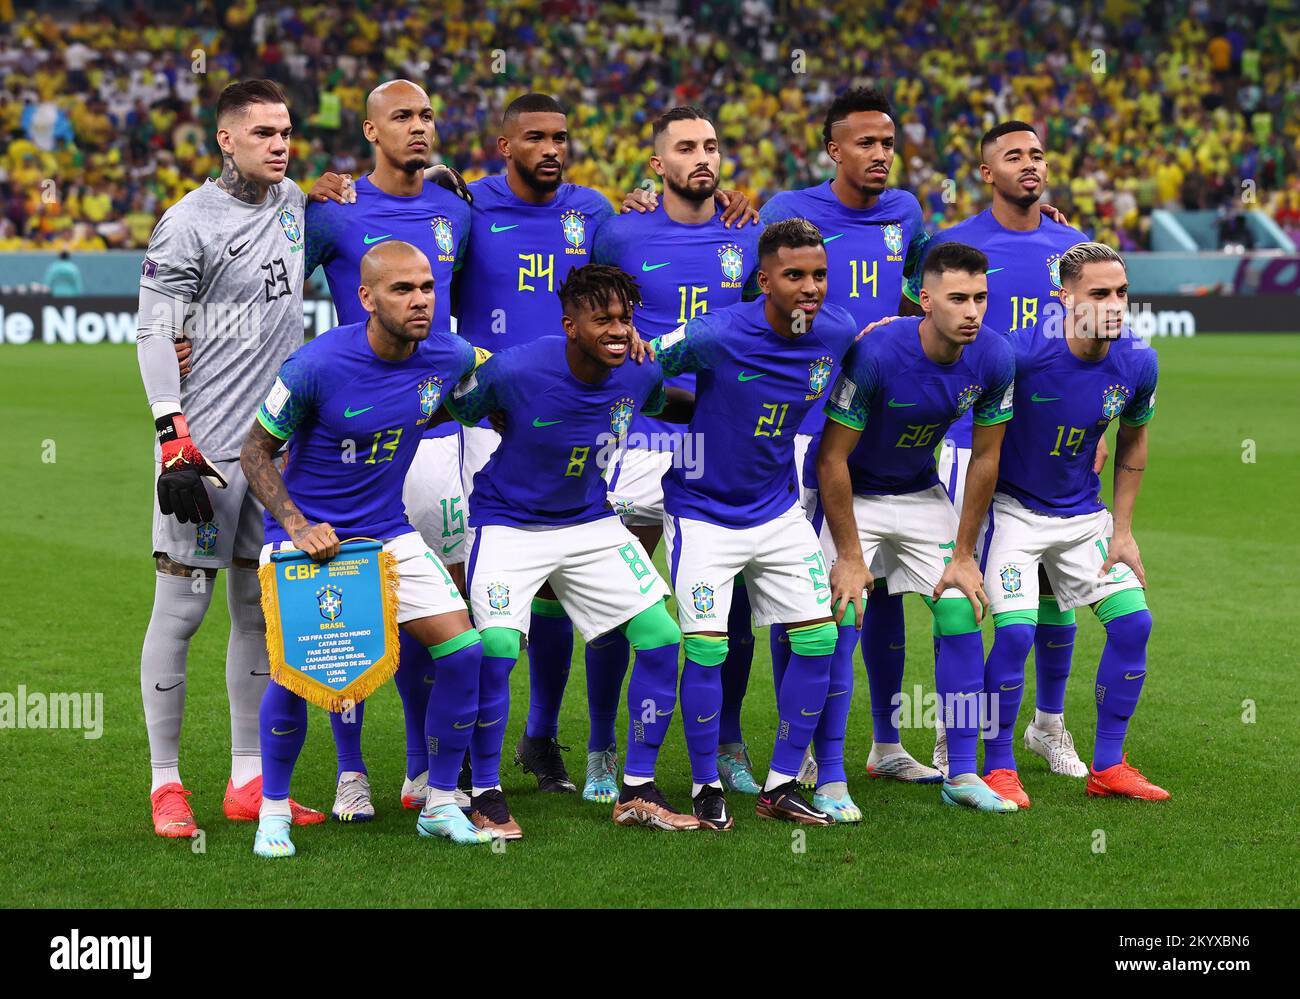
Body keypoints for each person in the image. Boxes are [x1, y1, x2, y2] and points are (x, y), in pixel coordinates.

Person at [239, 240, 490, 857]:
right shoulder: (314, 366)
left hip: (387, 531)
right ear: (366, 298)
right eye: (402, 290)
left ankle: (439, 801)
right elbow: (255, 453)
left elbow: (500, 375)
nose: (419, 300)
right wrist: (297, 525)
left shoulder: (450, 354)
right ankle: (273, 809)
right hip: (309, 541)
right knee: (299, 674)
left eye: (427, 288)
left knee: (462, 649)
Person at [135, 79, 326, 838]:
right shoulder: (187, 223)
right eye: (263, 133)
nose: (280, 143)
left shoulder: (298, 204)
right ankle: (165, 783)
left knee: (258, 611)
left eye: (285, 131)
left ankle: (248, 779)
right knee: (182, 609)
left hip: (271, 455)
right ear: (226, 139)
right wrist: (169, 433)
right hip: (204, 457)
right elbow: (155, 331)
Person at [447, 264, 698, 837]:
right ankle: (483, 790)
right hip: (508, 523)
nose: (616, 329)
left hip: (589, 520)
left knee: (661, 635)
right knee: (499, 647)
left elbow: (673, 404)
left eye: (624, 318)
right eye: (602, 318)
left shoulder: (638, 372)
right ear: (569, 325)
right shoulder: (516, 369)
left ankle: (637, 788)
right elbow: (458, 407)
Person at [652, 218, 860, 829]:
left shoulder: (838, 332)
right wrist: (680, 409)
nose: (810, 288)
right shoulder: (717, 333)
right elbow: (642, 362)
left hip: (776, 510)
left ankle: (782, 784)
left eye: (819, 275)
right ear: (764, 279)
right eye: (794, 275)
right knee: (708, 650)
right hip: (703, 513)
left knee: (819, 637)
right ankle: (704, 784)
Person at [759, 87, 939, 794]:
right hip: (803, 425)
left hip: (880, 431)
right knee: (804, 591)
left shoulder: (906, 212)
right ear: (834, 150)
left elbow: (924, 288)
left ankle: (886, 741)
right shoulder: (786, 212)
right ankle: (797, 744)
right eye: (866, 143)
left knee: (883, 590)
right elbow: (752, 296)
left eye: (888, 143)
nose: (880, 155)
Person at [303, 78, 474, 821]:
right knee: (346, 620)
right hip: (350, 446)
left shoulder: (458, 211)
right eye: (401, 116)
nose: (418, 127)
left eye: (427, 115)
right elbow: (274, 291)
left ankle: (419, 769)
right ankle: (348, 771)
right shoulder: (332, 210)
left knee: (437, 613)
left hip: (435, 442)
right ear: (370, 131)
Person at [583, 105, 763, 802]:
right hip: (642, 432)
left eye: (712, 145)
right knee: (616, 597)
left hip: (719, 433)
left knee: (733, 601)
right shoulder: (620, 230)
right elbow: (592, 317)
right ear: (656, 165)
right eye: (686, 147)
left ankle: (727, 741)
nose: (703, 157)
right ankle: (602, 745)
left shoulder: (747, 233)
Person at [905, 120, 1093, 778]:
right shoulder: (955, 244)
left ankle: (1049, 725)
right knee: (961, 586)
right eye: (1014, 155)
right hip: (967, 438)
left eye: (1038, 153)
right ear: (987, 172)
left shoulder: (1075, 247)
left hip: (1048, 443)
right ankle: (953, 733)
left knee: (1053, 587)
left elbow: (1094, 346)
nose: (1030, 164)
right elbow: (918, 326)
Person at [815, 241, 1019, 814]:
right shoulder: (878, 353)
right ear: (925, 301)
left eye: (980, 298)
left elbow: (985, 459)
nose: (973, 311)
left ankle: (961, 772)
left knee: (960, 606)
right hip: (852, 493)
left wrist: (964, 553)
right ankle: (829, 774)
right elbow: (831, 459)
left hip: (920, 490)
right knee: (844, 609)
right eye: (958, 299)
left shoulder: (995, 358)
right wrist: (852, 556)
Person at [979, 242, 1167, 806]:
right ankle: (996, 765)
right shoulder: (1021, 355)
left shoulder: (1138, 360)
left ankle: (1109, 764)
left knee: (1134, 624)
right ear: (1064, 299)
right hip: (1013, 511)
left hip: (1083, 517)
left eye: (1122, 293)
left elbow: (1134, 435)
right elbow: (977, 428)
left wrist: (1124, 529)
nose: (1115, 305)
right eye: (1099, 294)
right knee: (1013, 633)